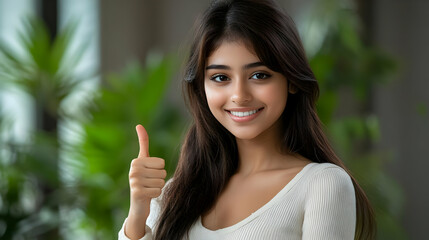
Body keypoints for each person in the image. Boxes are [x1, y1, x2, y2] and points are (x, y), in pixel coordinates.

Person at [118, 0, 376, 239]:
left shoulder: (323, 185)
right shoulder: (175, 194)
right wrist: (138, 214)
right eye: (221, 78)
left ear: (292, 82)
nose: (239, 96)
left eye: (259, 75)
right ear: (202, 88)